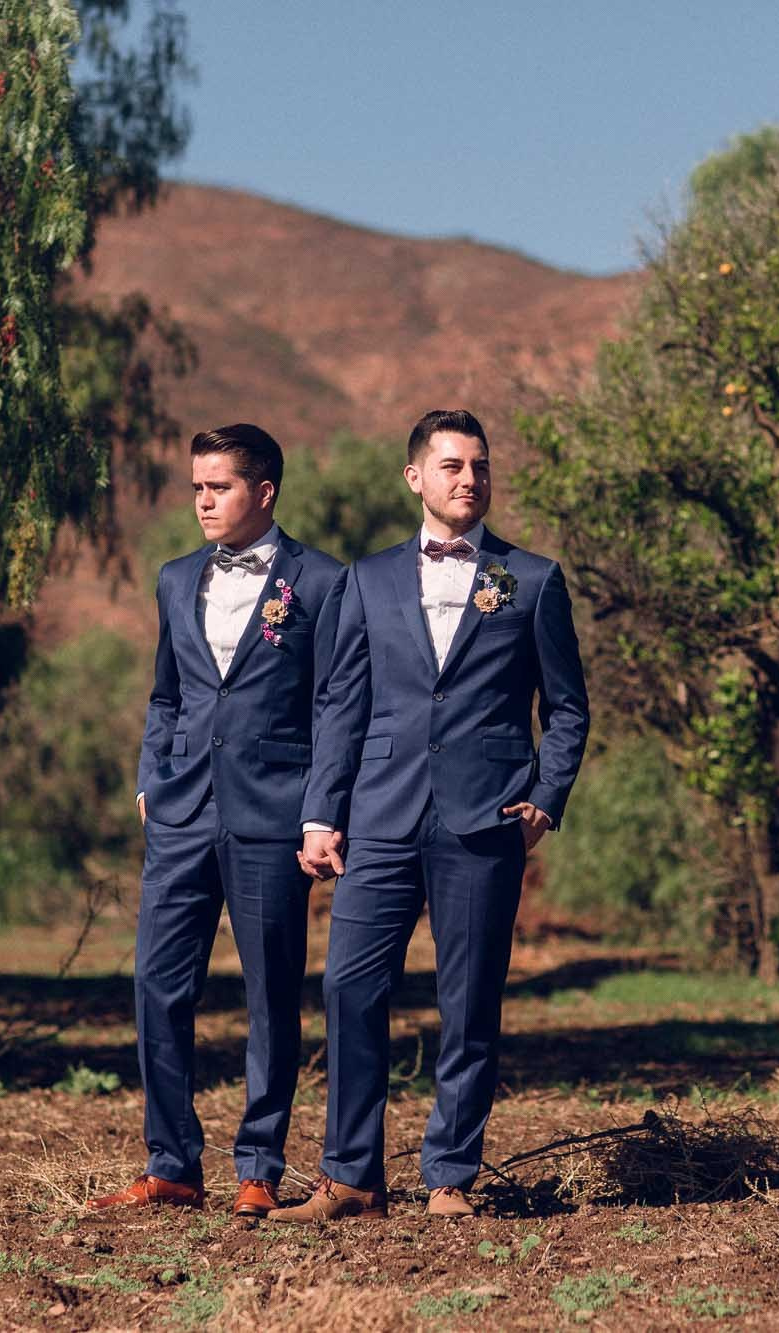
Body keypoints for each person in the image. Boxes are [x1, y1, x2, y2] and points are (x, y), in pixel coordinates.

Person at [271, 408, 588, 1222]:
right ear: (416, 476)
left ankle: (450, 1174)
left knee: (470, 999)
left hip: (486, 821)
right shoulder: (365, 578)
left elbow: (567, 708)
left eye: (479, 466)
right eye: (451, 466)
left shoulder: (533, 578)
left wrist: (545, 801)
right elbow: (340, 701)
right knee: (347, 987)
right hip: (379, 814)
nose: (469, 479)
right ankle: (351, 1177)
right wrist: (320, 812)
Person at [88, 424, 346, 1218]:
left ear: (263, 492)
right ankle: (170, 1162)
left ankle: (259, 1167)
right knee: (159, 986)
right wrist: (149, 777)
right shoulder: (174, 579)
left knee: (271, 994)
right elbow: (166, 694)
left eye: (219, 486)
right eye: (197, 485)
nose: (202, 500)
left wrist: (320, 810)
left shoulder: (324, 582)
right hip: (181, 812)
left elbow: (333, 705)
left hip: (274, 813)